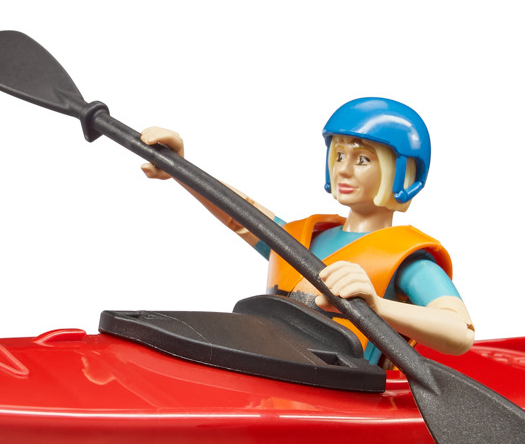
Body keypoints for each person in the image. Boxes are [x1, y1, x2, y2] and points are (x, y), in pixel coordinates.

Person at [139, 97, 474, 363]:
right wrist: (180, 168)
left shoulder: (407, 260)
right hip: (272, 372)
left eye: (362, 160)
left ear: (403, 173)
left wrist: (377, 306)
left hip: (345, 396)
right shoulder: (307, 237)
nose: (343, 170)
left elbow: (460, 332)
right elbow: (239, 214)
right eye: (339, 155)